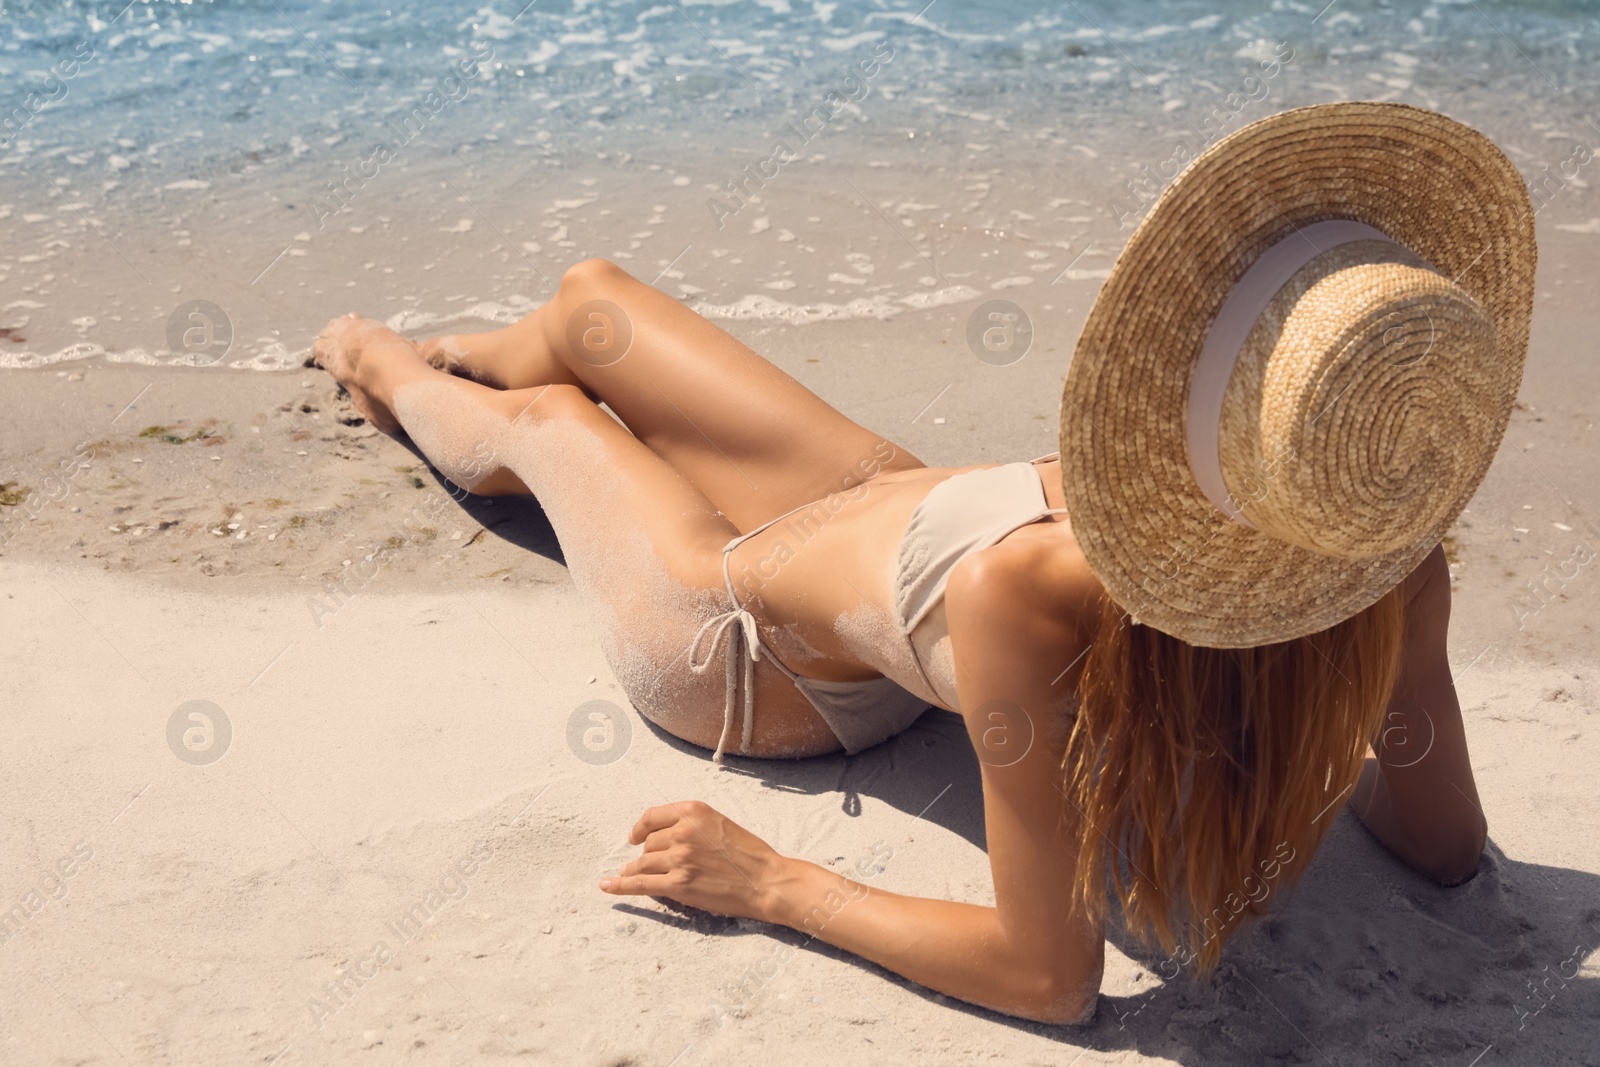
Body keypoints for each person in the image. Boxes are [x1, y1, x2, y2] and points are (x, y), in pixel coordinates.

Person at [311, 101, 1534, 1023]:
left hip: (750, 639)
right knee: (594, 306)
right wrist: (1315, 731)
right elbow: (1440, 844)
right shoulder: (1382, 555)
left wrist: (774, 882)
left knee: (553, 429)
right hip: (896, 511)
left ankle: (390, 373)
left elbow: (1047, 975)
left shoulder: (1026, 588)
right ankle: (483, 346)